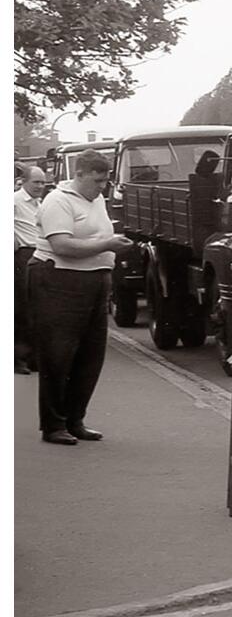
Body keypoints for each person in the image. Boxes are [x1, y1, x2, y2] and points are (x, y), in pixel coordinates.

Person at [29, 149, 133, 445]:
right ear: (79, 175)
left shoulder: (96, 198)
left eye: (105, 181)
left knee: (90, 355)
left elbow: (93, 236)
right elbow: (61, 245)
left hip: (92, 281)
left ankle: (75, 419)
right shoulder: (58, 201)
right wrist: (108, 244)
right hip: (59, 279)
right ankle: (53, 424)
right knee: (58, 354)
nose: (102, 186)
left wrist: (108, 250)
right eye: (97, 180)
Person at [14, 165, 47, 374]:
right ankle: (18, 358)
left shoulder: (40, 203)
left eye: (43, 182)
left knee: (38, 307)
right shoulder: (14, 201)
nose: (40, 186)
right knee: (22, 306)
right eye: (36, 182)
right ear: (24, 181)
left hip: (39, 254)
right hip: (23, 255)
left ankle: (34, 357)